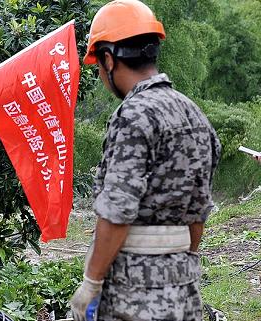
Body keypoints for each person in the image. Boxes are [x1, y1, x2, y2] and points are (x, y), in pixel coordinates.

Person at [69, 1, 221, 320]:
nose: (100, 73)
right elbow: (198, 214)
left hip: (133, 295)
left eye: (98, 65)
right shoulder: (195, 115)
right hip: (185, 289)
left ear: (109, 60)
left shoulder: (133, 116)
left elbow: (116, 212)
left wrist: (91, 283)